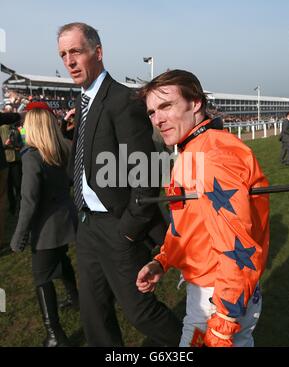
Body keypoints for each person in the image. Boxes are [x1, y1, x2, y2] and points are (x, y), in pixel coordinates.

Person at [57, 22, 182, 346]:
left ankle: (196, 343)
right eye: (63, 54)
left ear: (97, 52)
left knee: (140, 312)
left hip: (118, 227)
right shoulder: (84, 100)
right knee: (93, 313)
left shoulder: (123, 100)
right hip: (87, 227)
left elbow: (147, 173)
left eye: (75, 51)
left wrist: (129, 228)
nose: (69, 61)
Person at [136, 70, 270, 347]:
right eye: (151, 112)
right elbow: (188, 225)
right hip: (216, 291)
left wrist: (224, 320)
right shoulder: (194, 150)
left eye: (166, 106)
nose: (157, 119)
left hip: (218, 296)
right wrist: (163, 260)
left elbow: (238, 247)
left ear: (195, 103)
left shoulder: (211, 157)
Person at [10, 103, 78, 347]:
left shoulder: (31, 156)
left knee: (41, 277)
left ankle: (54, 335)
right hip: (64, 219)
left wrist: (18, 238)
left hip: (47, 228)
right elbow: (70, 180)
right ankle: (76, 300)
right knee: (62, 261)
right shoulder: (61, 148)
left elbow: (29, 202)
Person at [0, 112, 22, 249]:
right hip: (2, 164)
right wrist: (19, 115)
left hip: (9, 162)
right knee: (2, 200)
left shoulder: (14, 129)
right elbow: (8, 117)